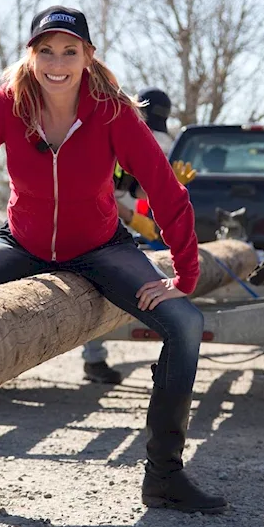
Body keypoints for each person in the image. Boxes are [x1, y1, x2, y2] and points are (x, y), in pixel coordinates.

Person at [0, 5, 227, 514]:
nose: (58, 62)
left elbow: (164, 189)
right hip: (22, 244)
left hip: (101, 248)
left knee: (184, 323)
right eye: (46, 51)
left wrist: (185, 272)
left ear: (88, 57)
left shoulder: (112, 111)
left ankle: (164, 476)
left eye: (69, 51)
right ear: (31, 56)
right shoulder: (8, 106)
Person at [81, 86, 181, 384]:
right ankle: (94, 359)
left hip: (107, 218)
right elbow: (99, 192)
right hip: (83, 219)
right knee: (93, 285)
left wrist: (168, 183)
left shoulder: (140, 141)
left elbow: (134, 186)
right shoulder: (105, 136)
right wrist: (133, 218)